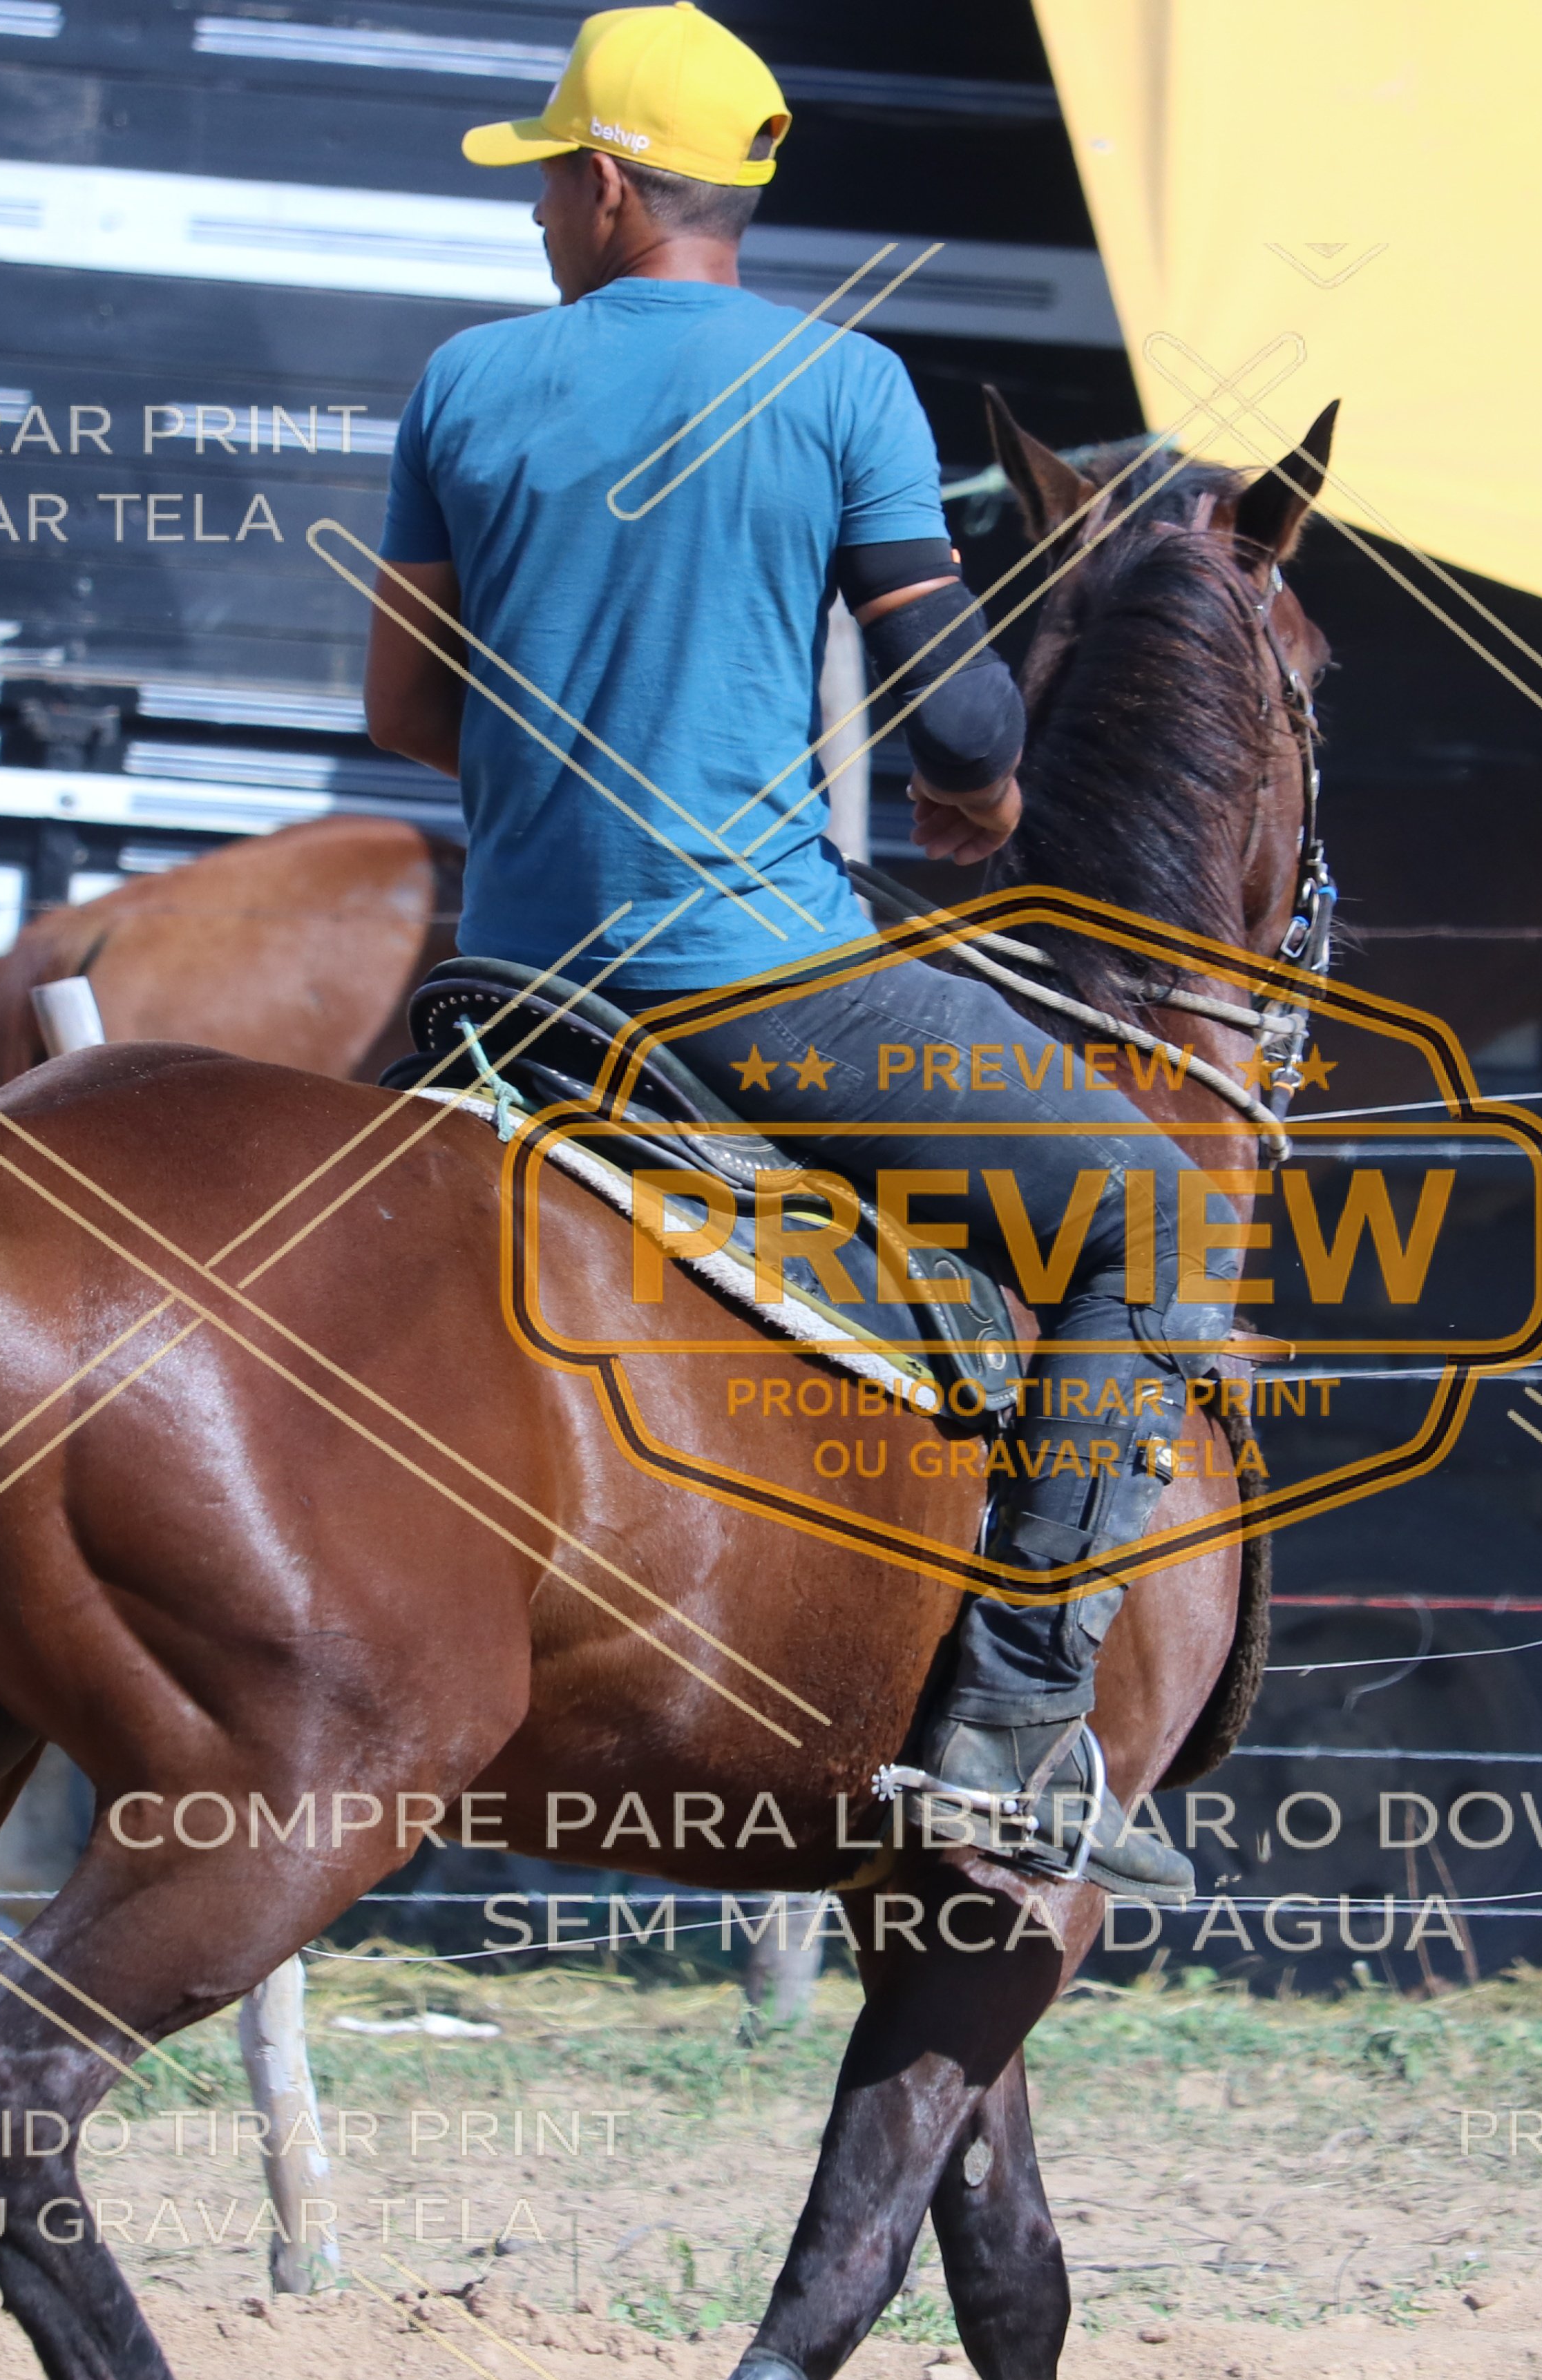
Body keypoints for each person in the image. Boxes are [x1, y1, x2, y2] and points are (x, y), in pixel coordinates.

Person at [364, 4, 1204, 1899]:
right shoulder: (844, 388)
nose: (539, 218)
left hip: (510, 996)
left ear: (604, 184)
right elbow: (962, 720)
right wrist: (980, 794)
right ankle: (1014, 1725)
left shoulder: (466, 384)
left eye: (546, 186)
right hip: (751, 991)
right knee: (1147, 1213)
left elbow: (407, 705)